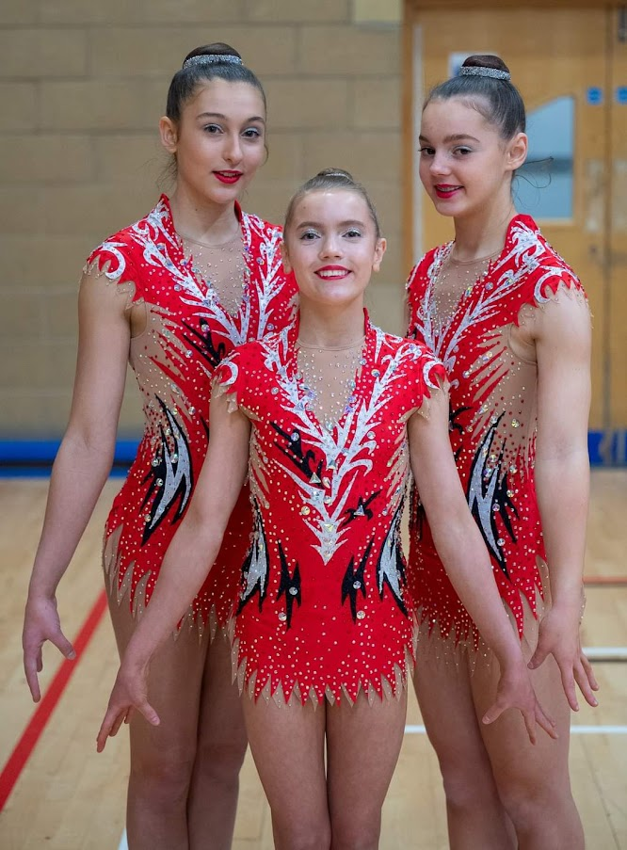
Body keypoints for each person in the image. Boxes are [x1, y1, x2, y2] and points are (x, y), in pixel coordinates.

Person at [97, 168, 556, 850]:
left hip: (373, 640)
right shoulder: (243, 376)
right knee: (302, 834)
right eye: (309, 234)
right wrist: (138, 651)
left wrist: (510, 657)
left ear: (376, 252)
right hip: (273, 643)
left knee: (357, 831)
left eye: (349, 234)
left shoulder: (415, 374)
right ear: (285, 253)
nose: (329, 249)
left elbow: (454, 524)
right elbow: (203, 521)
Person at [22, 43, 296, 850]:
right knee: (165, 763)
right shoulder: (121, 265)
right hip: (159, 532)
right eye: (213, 129)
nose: (235, 152)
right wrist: (43, 584)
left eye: (251, 133)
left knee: (222, 759)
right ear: (170, 134)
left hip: (258, 541)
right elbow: (85, 435)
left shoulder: (287, 258)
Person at [406, 54, 600, 849]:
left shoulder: (549, 290)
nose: (438, 167)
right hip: (427, 563)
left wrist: (564, 599)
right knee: (461, 789)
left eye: (460, 148)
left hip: (512, 573)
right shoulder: (422, 276)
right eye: (426, 148)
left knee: (531, 799)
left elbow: (559, 453)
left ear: (514, 152)